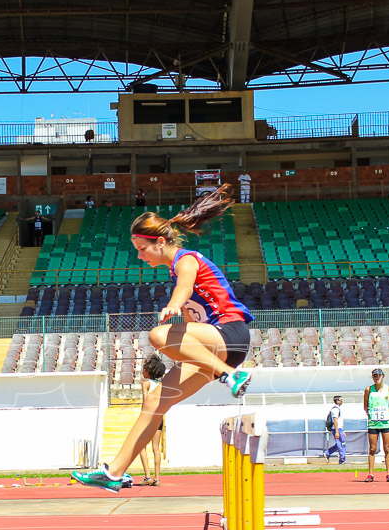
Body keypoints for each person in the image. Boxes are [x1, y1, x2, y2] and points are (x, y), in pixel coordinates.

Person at [72, 184, 254, 493]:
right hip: (215, 345)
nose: (140, 256)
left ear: (159, 243)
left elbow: (184, 287)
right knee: (154, 401)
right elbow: (191, 322)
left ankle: (230, 375)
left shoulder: (186, 260)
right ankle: (114, 472)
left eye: (142, 249)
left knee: (157, 335)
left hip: (231, 334)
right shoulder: (174, 267)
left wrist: (172, 304)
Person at [137, 354, 167, 486]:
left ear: (148, 370)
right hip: (159, 416)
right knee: (156, 448)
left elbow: (145, 401)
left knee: (141, 446)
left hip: (149, 417)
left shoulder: (146, 383)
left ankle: (147, 476)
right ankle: (157, 478)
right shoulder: (161, 384)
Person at [363, 368, 389, 482]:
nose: (376, 378)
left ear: (383, 377)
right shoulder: (369, 389)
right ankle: (371, 474)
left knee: (387, 448)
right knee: (372, 448)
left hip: (385, 422)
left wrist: (388, 414)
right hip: (373, 423)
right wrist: (371, 415)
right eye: (374, 376)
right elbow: (365, 406)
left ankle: (388, 473)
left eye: (378, 376)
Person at [325, 395, 346, 464]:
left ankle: (328, 453)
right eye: (340, 400)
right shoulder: (335, 409)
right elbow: (335, 420)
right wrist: (337, 431)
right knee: (341, 444)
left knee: (339, 444)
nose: (341, 401)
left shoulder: (338, 409)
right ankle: (342, 460)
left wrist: (342, 430)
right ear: (337, 401)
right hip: (337, 429)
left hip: (339, 429)